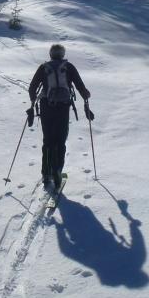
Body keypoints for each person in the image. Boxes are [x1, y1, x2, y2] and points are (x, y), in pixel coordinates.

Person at [27, 43, 94, 190]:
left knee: (48, 140)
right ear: (62, 55)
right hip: (63, 107)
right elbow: (80, 87)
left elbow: (32, 87)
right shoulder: (68, 67)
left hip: (46, 107)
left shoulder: (44, 68)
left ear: (50, 54)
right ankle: (57, 170)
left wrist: (33, 102)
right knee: (60, 140)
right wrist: (86, 96)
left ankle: (46, 173)